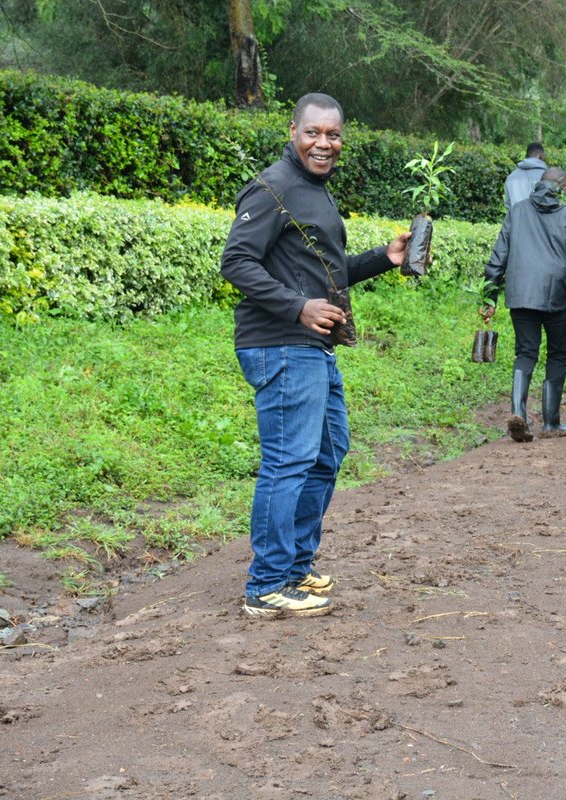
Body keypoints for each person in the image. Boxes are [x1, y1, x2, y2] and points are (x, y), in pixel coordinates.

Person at [220, 93, 413, 619]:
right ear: (293, 131)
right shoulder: (273, 188)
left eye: (333, 135)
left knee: (328, 453)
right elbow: (235, 261)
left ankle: (293, 566)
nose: (323, 144)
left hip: (312, 345)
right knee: (289, 461)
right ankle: (265, 585)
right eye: (313, 133)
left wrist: (384, 258)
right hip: (279, 344)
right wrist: (298, 308)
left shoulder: (313, 191)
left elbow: (320, 273)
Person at [482, 168, 566, 441]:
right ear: (564, 187)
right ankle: (551, 423)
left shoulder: (517, 211)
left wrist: (489, 296)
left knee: (525, 353)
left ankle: (519, 413)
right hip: (557, 294)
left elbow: (499, 256)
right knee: (557, 354)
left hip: (520, 292)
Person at [503, 142, 547, 208]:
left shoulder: (511, 177)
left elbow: (508, 204)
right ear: (540, 156)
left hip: (517, 217)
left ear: (526, 156)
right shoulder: (546, 176)